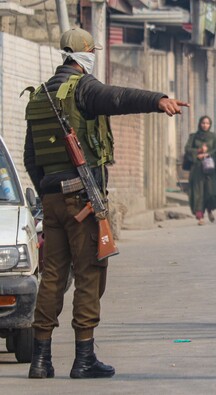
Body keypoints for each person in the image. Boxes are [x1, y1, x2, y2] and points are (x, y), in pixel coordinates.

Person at [23, 27, 188, 379]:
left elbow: (30, 157)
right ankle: (84, 358)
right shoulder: (82, 88)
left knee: (51, 277)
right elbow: (116, 97)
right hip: (82, 200)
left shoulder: (40, 96)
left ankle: (40, 360)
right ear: (84, 54)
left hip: (51, 200)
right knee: (89, 273)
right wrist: (158, 100)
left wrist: (48, 191)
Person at [184, 115, 216, 225]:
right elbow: (187, 149)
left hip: (210, 168)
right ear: (199, 124)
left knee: (210, 191)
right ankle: (200, 216)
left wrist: (207, 154)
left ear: (210, 125)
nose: (205, 125)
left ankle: (209, 210)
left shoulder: (214, 137)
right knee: (197, 192)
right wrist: (199, 151)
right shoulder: (193, 137)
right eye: (203, 123)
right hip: (197, 168)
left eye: (207, 123)